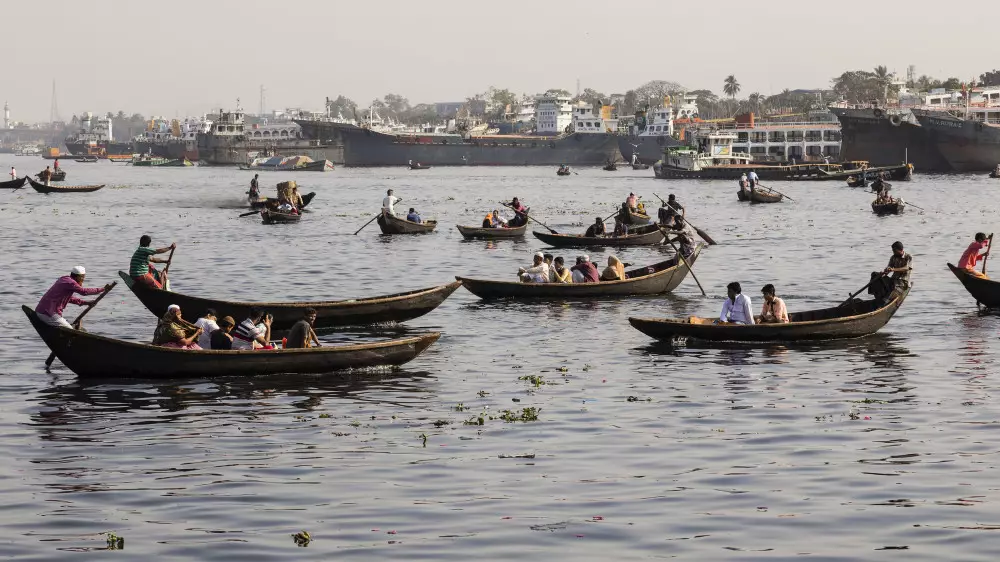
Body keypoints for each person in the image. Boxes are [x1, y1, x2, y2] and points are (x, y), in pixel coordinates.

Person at [35, 266, 111, 328]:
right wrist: (102, 289)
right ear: (79, 277)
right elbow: (84, 291)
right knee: (69, 330)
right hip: (48, 313)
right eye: (83, 278)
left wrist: (86, 303)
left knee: (69, 327)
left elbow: (70, 299)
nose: (83, 280)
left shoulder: (64, 279)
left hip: (41, 311)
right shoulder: (71, 283)